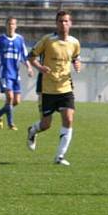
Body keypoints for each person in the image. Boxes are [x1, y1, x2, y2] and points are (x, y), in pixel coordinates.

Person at [26, 10, 82, 166]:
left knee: (69, 119)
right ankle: (32, 130)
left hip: (65, 88)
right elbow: (31, 57)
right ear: (56, 24)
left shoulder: (75, 42)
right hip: (48, 88)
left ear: (70, 23)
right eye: (60, 21)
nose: (63, 24)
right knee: (46, 125)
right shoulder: (48, 40)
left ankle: (60, 156)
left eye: (66, 21)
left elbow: (76, 57)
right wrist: (40, 67)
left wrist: (77, 63)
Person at [0, 17, 33, 130]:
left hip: (15, 74)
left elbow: (24, 55)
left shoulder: (20, 39)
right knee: (10, 97)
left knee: (16, 101)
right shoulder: (0, 40)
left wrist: (29, 67)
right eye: (9, 24)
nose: (11, 26)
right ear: (6, 25)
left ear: (16, 26)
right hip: (4, 73)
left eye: (13, 24)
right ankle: (11, 124)